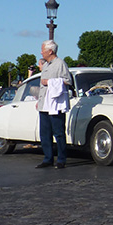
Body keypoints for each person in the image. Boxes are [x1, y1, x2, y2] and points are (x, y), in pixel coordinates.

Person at [36, 40, 72, 169]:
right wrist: (39, 101)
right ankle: (48, 158)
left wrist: (50, 82)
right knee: (44, 133)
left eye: (43, 50)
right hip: (44, 104)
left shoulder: (60, 64)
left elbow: (68, 81)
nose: (41, 52)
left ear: (50, 51)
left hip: (55, 104)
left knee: (59, 132)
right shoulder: (46, 65)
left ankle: (61, 159)